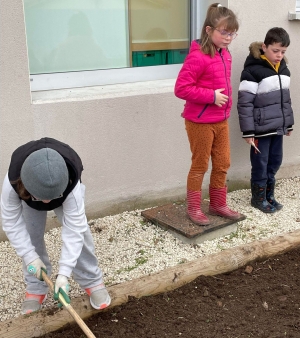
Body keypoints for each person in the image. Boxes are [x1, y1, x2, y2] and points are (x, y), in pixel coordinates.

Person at [1, 137, 111, 314]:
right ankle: (36, 287)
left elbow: (74, 228)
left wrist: (64, 275)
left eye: (52, 197)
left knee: (82, 234)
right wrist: (30, 257)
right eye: (42, 198)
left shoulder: (71, 183)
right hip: (28, 197)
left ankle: (92, 280)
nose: (47, 202)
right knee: (31, 235)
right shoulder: (13, 183)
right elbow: (11, 222)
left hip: (64, 191)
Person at [174, 3, 240, 225]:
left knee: (223, 163)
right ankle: (194, 208)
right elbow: (181, 89)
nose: (228, 37)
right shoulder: (198, 57)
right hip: (199, 122)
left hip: (221, 121)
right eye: (224, 32)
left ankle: (217, 204)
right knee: (200, 165)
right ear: (209, 30)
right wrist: (211, 96)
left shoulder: (226, 55)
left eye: (232, 33)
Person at [237, 27, 293, 213]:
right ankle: (258, 198)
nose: (279, 55)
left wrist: (288, 123)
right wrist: (248, 132)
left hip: (278, 128)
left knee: (275, 161)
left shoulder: (284, 70)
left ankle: (269, 195)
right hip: (260, 129)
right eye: (275, 51)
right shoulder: (252, 71)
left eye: (283, 52)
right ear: (264, 47)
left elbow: (285, 99)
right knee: (260, 163)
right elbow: (245, 103)